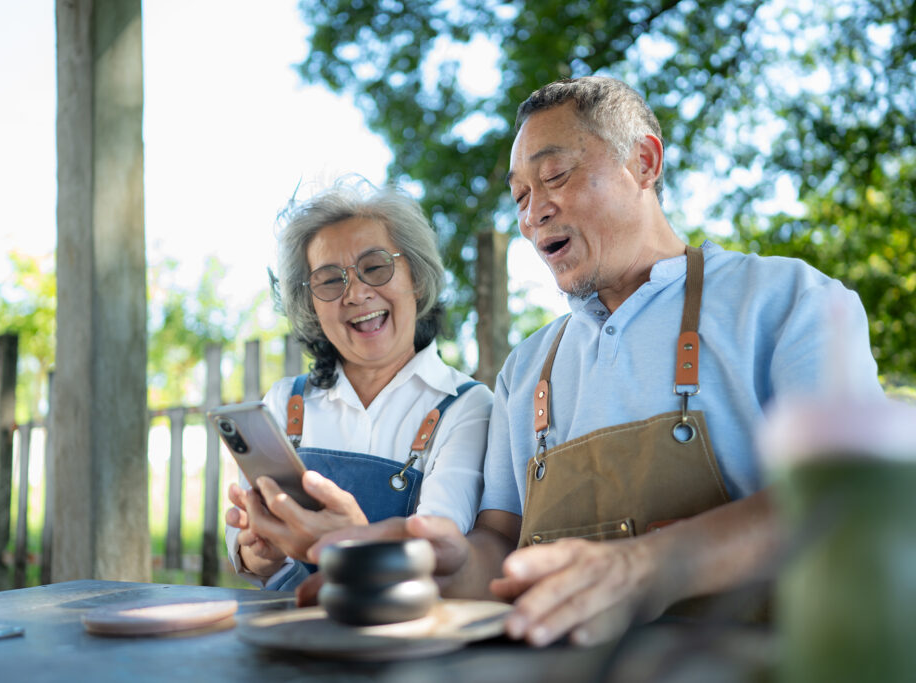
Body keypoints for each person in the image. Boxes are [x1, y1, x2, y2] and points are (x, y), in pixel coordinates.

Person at [304, 76, 884, 645]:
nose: (533, 214)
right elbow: (499, 544)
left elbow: (849, 496)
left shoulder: (789, 301)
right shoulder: (525, 369)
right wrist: (443, 570)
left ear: (644, 163)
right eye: (520, 197)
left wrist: (644, 566)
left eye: (555, 175)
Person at [224, 177, 494, 590]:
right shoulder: (284, 401)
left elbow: (439, 549)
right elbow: (247, 550)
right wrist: (259, 552)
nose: (355, 293)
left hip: (401, 624)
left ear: (417, 278)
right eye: (330, 280)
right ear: (311, 305)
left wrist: (353, 540)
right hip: (290, 623)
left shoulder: (466, 407)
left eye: (375, 267)